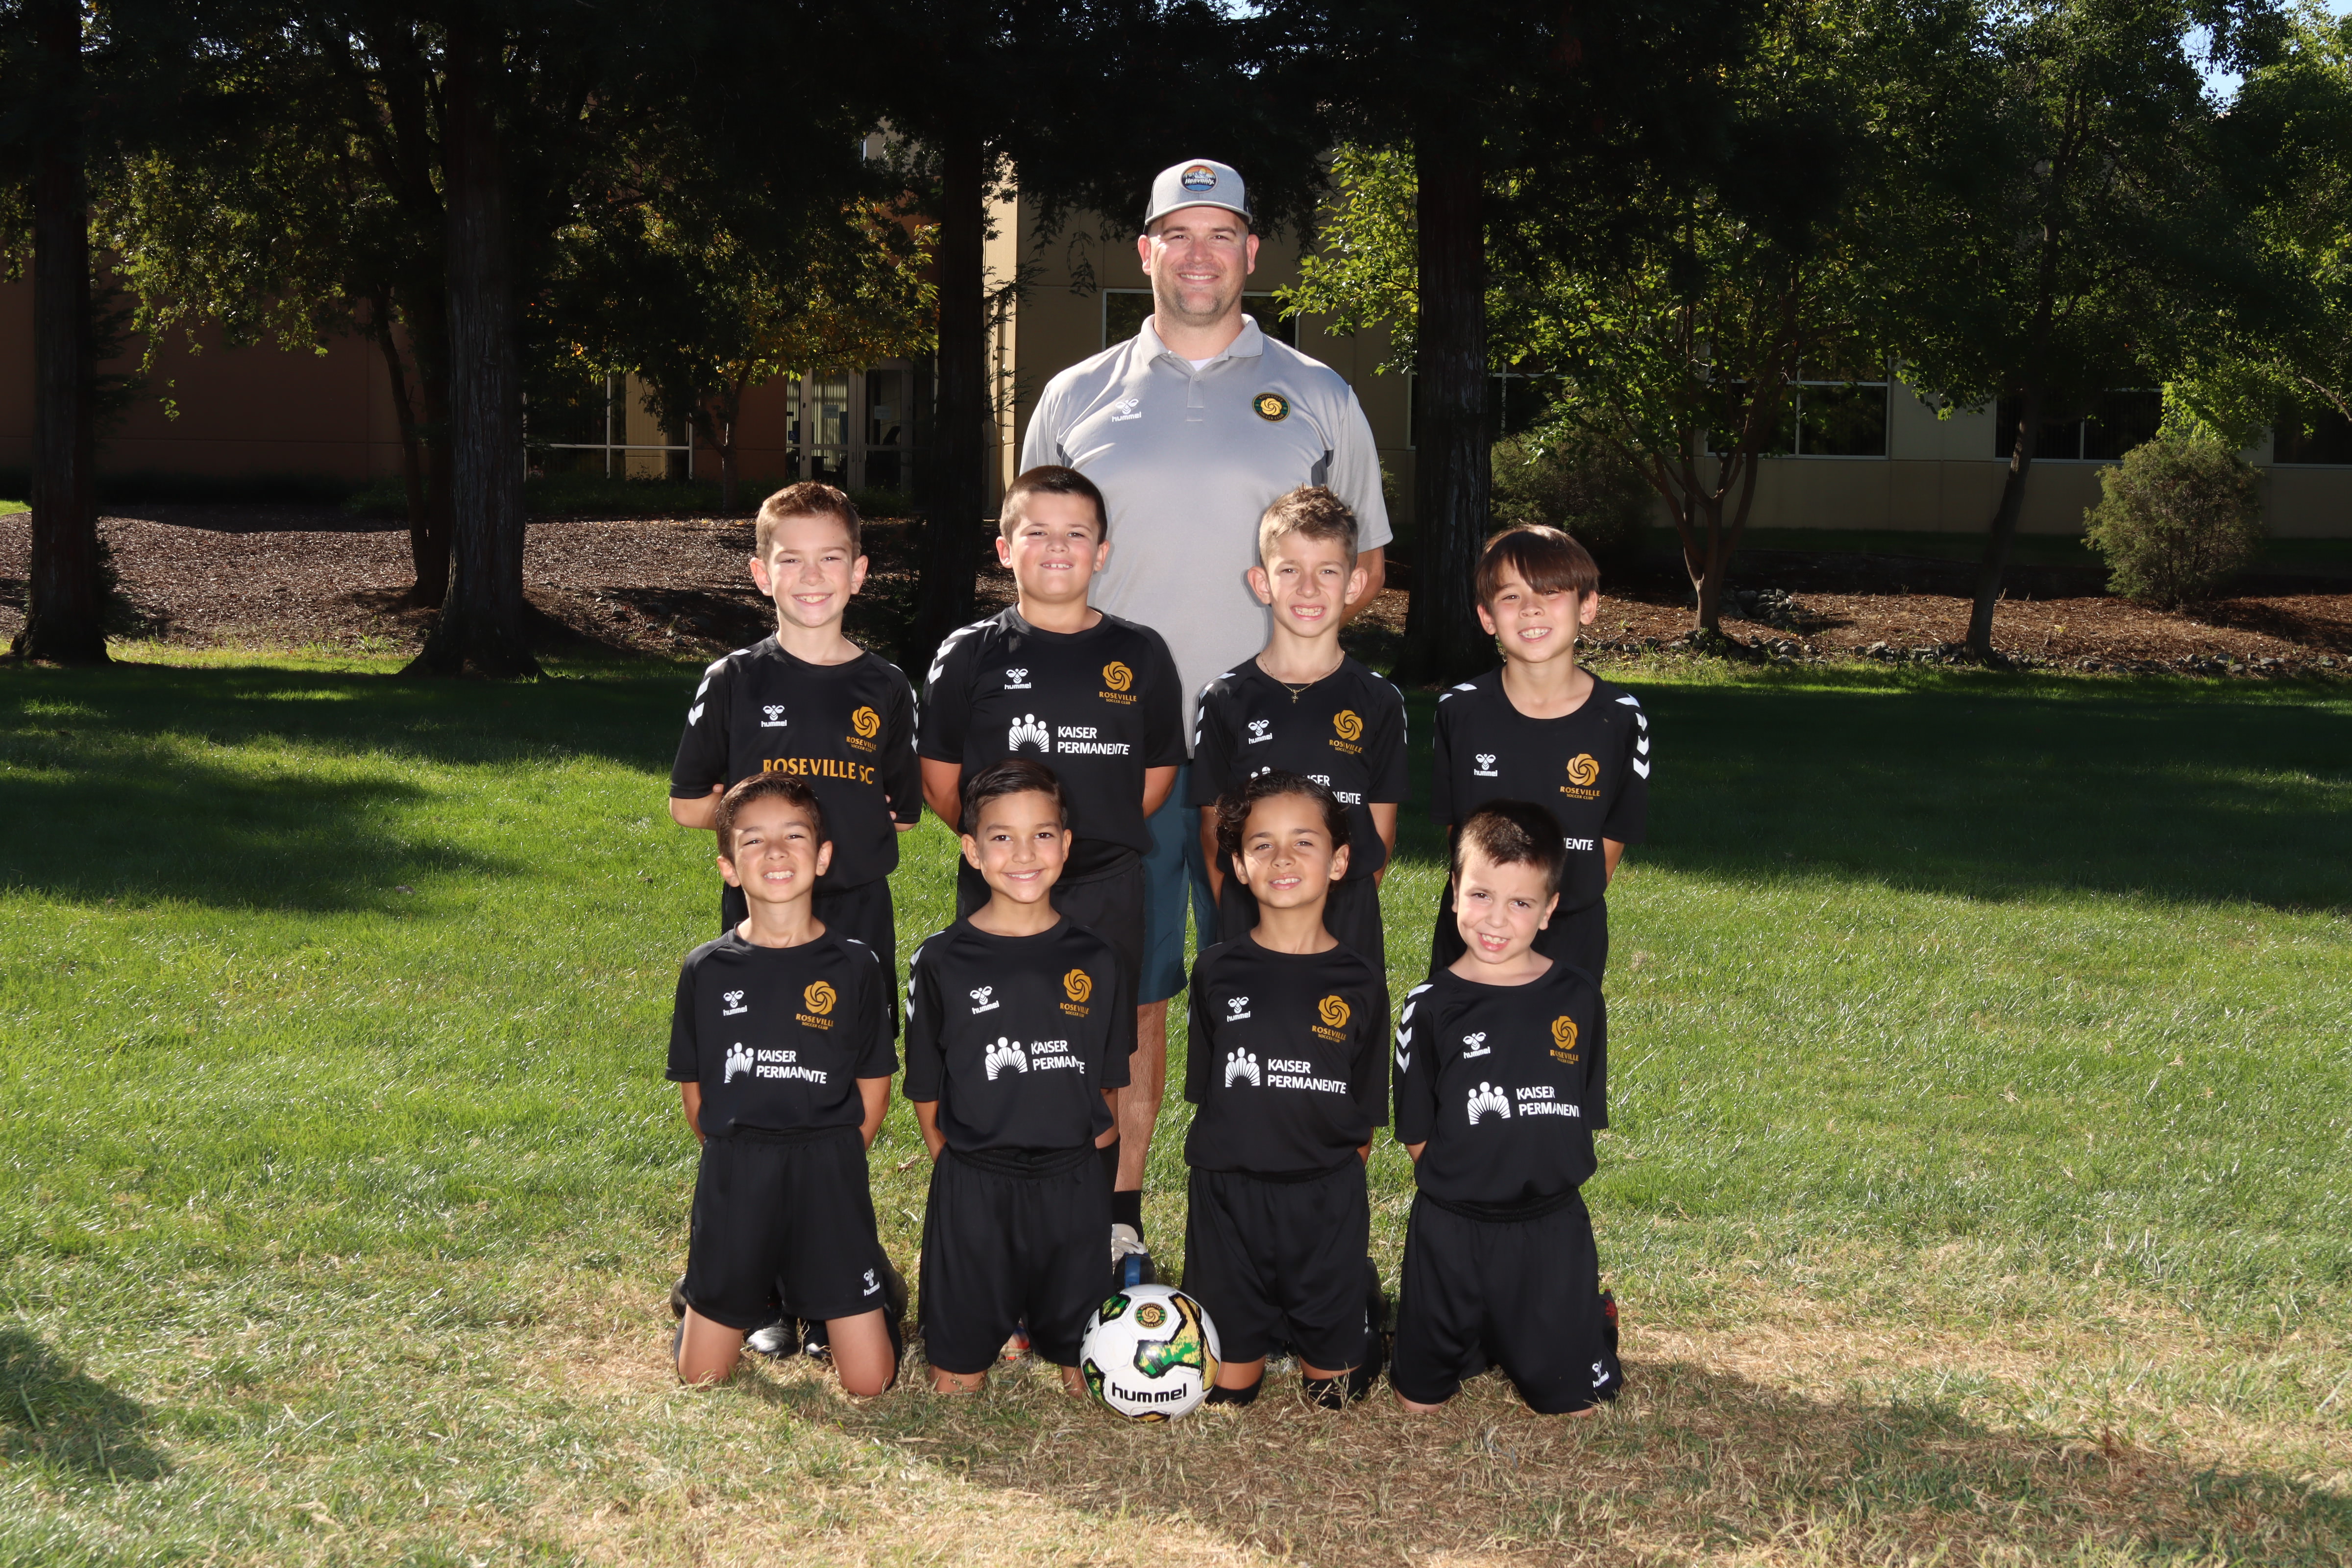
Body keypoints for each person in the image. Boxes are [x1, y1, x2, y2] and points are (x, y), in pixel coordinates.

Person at [1019, 157, 1393, 1244]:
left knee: (1287, 982)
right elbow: (1040, 553)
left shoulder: (1319, 393)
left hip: (1269, 756)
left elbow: (1364, 561)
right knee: (1125, 996)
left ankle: (1292, 1222)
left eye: (1220, 234)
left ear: (1252, 254)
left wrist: (1298, 661)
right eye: (1177, 234)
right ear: (1145, 251)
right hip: (1110, 758)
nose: (1199, 255)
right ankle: (1119, 1223)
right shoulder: (1076, 395)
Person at [919, 466, 1182, 1277]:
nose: (1057, 548)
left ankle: (1107, 1222)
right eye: (1037, 532)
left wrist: (1077, 847)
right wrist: (1014, 858)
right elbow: (942, 780)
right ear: (1006, 549)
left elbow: (1154, 778)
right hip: (1001, 892)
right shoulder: (970, 654)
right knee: (995, 1050)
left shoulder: (1140, 654)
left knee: (1105, 1055)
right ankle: (992, 1214)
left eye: (1076, 533)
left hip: (1105, 887)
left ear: (1102, 551)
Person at [902, 760, 1133, 1396]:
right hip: (976, 1183)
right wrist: (962, 1175)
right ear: (973, 850)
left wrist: (1092, 1191)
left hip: (1072, 1183)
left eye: (1042, 834)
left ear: (1067, 843)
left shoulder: (1098, 959)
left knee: (1087, 1379)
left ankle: (1058, 1324)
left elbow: (1107, 1088)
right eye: (1002, 836)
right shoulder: (941, 960)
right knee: (956, 1385)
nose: (1024, 853)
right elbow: (926, 1090)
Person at [667, 775, 900, 1394]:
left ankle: (870, 1283)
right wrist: (741, 1156)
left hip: (828, 1167)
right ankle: (712, 1291)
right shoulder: (706, 969)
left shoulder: (856, 965)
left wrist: (835, 1156)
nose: (775, 852)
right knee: (702, 1375)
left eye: (794, 836)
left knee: (870, 1382)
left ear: (823, 856)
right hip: (737, 1171)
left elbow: (874, 1085)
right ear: (728, 866)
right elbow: (697, 1094)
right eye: (753, 840)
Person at [1390, 801, 1622, 1417]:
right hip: (1451, 1231)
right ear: (1454, 892)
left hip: (1549, 1229)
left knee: (1574, 1405)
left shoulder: (1578, 995)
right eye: (1480, 895)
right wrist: (1462, 1185)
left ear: (1549, 909)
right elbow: (1415, 1126)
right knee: (1419, 1403)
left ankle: (1578, 1319)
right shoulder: (1428, 1005)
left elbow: (1579, 1107)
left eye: (1520, 902)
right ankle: (1475, 1333)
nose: (1496, 919)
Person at [1181, 772, 1389, 1409]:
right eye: (1262, 844)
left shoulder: (1361, 981)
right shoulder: (1216, 970)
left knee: (1335, 1397)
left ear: (1340, 860)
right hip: (1228, 1202)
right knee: (1226, 1395)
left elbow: (1364, 1113)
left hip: (1324, 1203)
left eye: (1304, 841)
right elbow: (1211, 1094)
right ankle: (1253, 1317)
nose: (1283, 858)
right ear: (1240, 866)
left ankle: (1356, 1305)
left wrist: (1323, 1184)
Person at [668, 481, 922, 991]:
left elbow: (902, 815)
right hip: (761, 907)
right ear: (762, 575)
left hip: (859, 907)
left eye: (830, 557)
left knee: (860, 1037)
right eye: (790, 560)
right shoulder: (732, 679)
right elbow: (687, 804)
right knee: (760, 1035)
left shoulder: (888, 686)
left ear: (858, 573)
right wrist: (767, 825)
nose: (811, 575)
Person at [1191, 486, 1406, 968]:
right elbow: (1212, 831)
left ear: (1354, 584)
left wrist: (1326, 910)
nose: (1308, 588)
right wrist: (1247, 911)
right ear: (1261, 583)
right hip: (1249, 915)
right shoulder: (1224, 698)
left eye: (1327, 571)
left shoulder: (1379, 699)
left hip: (1346, 918)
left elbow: (1381, 831)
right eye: (1289, 570)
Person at [1429, 526, 1650, 981]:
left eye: (1550, 592)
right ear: (1487, 617)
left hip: (1571, 934)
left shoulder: (1621, 718)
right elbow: (1459, 836)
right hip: (1474, 934)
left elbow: (1609, 846)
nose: (1531, 608)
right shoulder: (1459, 711)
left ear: (1587, 606)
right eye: (1511, 596)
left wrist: (1553, 905)